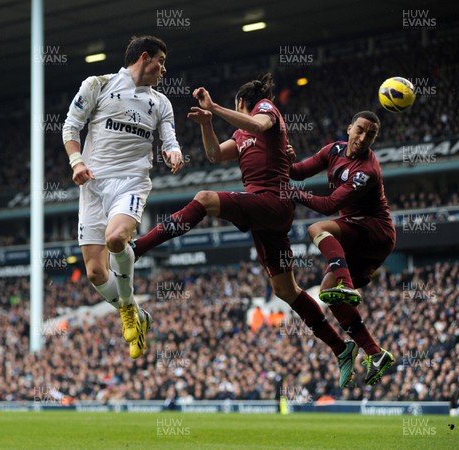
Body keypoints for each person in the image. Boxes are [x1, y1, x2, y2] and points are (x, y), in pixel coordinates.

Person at [132, 74, 358, 388]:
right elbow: (213, 154)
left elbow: (260, 126)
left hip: (272, 200)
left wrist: (215, 106)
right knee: (285, 290)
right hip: (264, 214)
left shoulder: (266, 110)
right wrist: (206, 123)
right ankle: (341, 347)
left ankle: (139, 247)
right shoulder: (240, 134)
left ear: (242, 103)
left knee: (205, 199)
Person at [62, 35, 185, 359]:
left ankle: (127, 307)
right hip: (92, 186)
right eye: (160, 61)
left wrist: (173, 153)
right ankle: (136, 312)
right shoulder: (98, 85)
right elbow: (71, 127)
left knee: (116, 238)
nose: (164, 69)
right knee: (95, 272)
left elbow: (170, 139)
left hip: (130, 183)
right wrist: (77, 162)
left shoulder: (160, 103)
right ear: (145, 57)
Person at [288, 111, 395, 385]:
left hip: (375, 231)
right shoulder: (333, 150)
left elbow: (329, 205)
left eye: (370, 135)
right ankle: (374, 352)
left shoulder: (367, 171)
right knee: (327, 293)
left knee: (317, 228)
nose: (362, 138)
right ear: (349, 128)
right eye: (359, 130)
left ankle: (346, 284)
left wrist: (293, 193)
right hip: (357, 232)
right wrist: (282, 158)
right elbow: (298, 171)